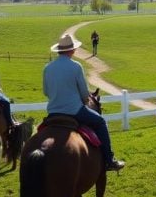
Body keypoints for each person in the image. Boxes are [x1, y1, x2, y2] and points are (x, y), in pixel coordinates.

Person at [43, 33, 125, 171]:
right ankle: (109, 160)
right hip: (74, 111)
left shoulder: (47, 68)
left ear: (59, 50)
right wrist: (84, 99)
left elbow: (46, 92)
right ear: (71, 50)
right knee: (100, 122)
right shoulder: (76, 66)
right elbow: (83, 94)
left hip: (53, 112)